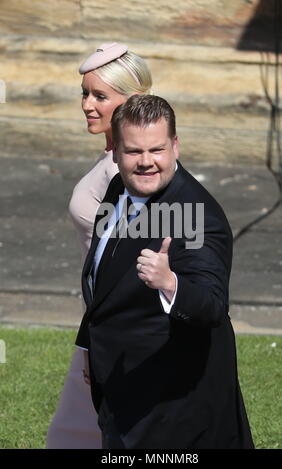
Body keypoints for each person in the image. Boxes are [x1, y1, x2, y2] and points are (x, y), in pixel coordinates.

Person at [75, 94, 255, 449]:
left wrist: (171, 283)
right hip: (122, 389)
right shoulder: (118, 189)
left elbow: (212, 305)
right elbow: (102, 273)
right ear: (116, 151)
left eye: (156, 150)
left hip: (172, 410)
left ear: (175, 145)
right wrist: (89, 345)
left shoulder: (198, 216)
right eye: (134, 152)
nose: (146, 163)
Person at [46, 43, 152, 449]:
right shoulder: (114, 156)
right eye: (84, 93)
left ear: (135, 101)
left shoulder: (132, 168)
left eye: (100, 96)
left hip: (119, 331)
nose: (88, 104)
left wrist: (99, 339)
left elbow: (130, 265)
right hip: (103, 325)